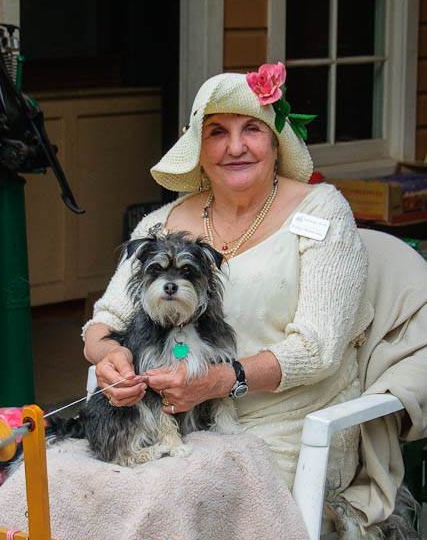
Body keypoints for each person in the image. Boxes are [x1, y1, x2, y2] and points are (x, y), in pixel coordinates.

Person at [83, 65, 373, 489]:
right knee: (65, 490)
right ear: (198, 149)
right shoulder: (160, 223)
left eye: (252, 129)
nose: (235, 147)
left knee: (165, 498)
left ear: (276, 143)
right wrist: (108, 357)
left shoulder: (321, 211)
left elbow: (318, 348)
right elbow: (106, 317)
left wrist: (219, 380)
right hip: (170, 424)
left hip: (290, 424)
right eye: (217, 132)